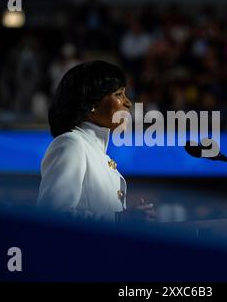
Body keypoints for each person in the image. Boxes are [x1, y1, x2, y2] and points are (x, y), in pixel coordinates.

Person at [37, 60, 156, 223]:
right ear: (92, 103)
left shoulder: (98, 153)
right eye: (119, 94)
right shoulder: (72, 144)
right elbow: (50, 218)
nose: (128, 102)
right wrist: (119, 219)